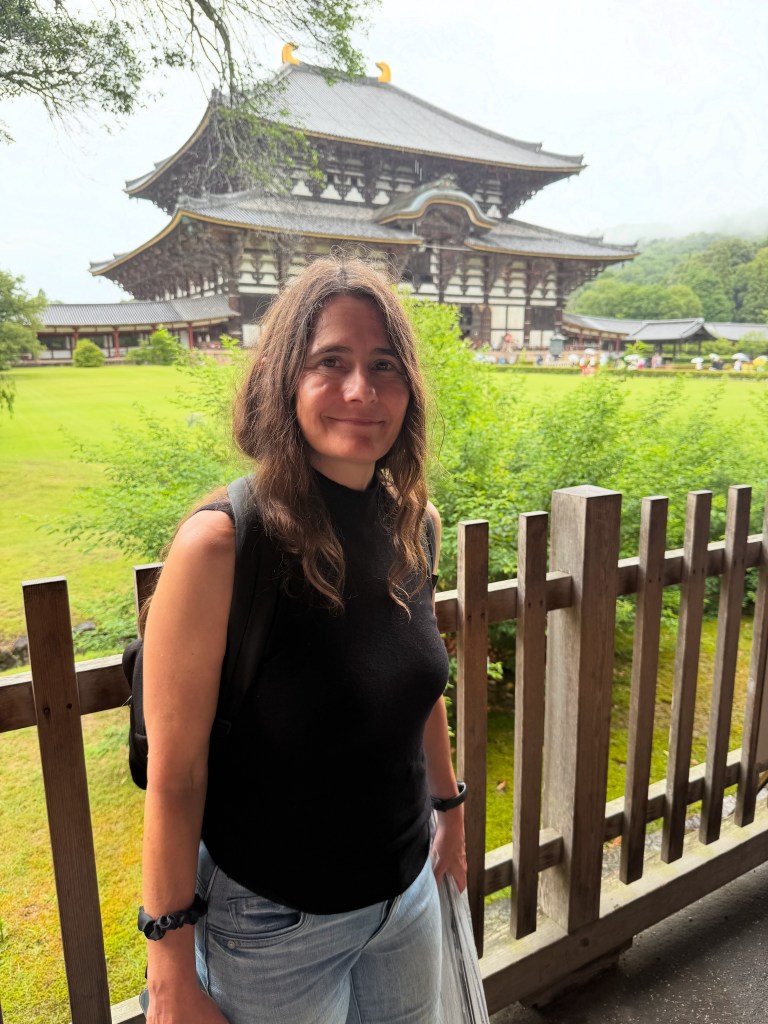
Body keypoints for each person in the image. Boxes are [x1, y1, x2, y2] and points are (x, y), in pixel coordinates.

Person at [140, 256, 467, 1024]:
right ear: (287, 379)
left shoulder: (413, 524)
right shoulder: (223, 546)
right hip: (272, 925)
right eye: (332, 362)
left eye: (385, 366)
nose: (362, 390)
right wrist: (171, 975)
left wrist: (448, 809)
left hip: (406, 896)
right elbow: (176, 772)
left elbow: (417, 687)